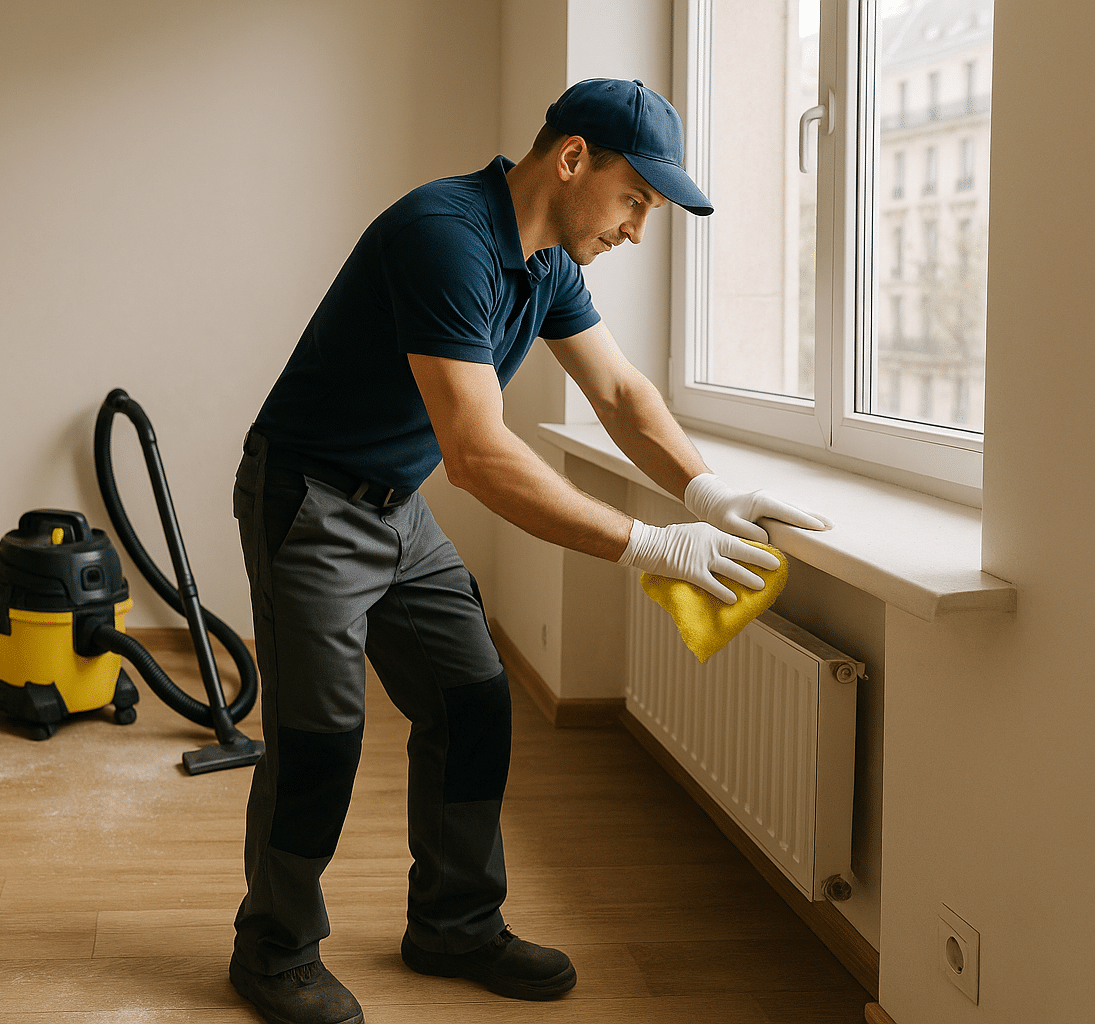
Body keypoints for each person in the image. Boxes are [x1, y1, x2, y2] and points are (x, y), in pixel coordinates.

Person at [228, 78, 831, 1024]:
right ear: (574, 158)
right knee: (321, 733)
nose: (639, 228)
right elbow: (476, 454)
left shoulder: (545, 264)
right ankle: (272, 950)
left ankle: (455, 926)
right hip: (310, 497)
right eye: (637, 198)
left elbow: (622, 393)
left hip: (396, 506)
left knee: (472, 700)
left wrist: (705, 491)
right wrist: (647, 543)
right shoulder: (446, 236)